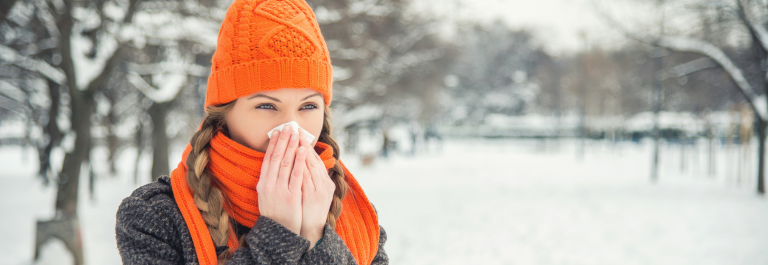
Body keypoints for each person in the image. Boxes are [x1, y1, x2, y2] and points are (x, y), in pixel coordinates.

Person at [115, 0, 388, 264]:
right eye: (267, 105)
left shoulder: (359, 216)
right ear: (224, 115)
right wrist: (280, 235)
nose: (292, 127)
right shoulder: (155, 217)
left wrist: (318, 237)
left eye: (308, 105)